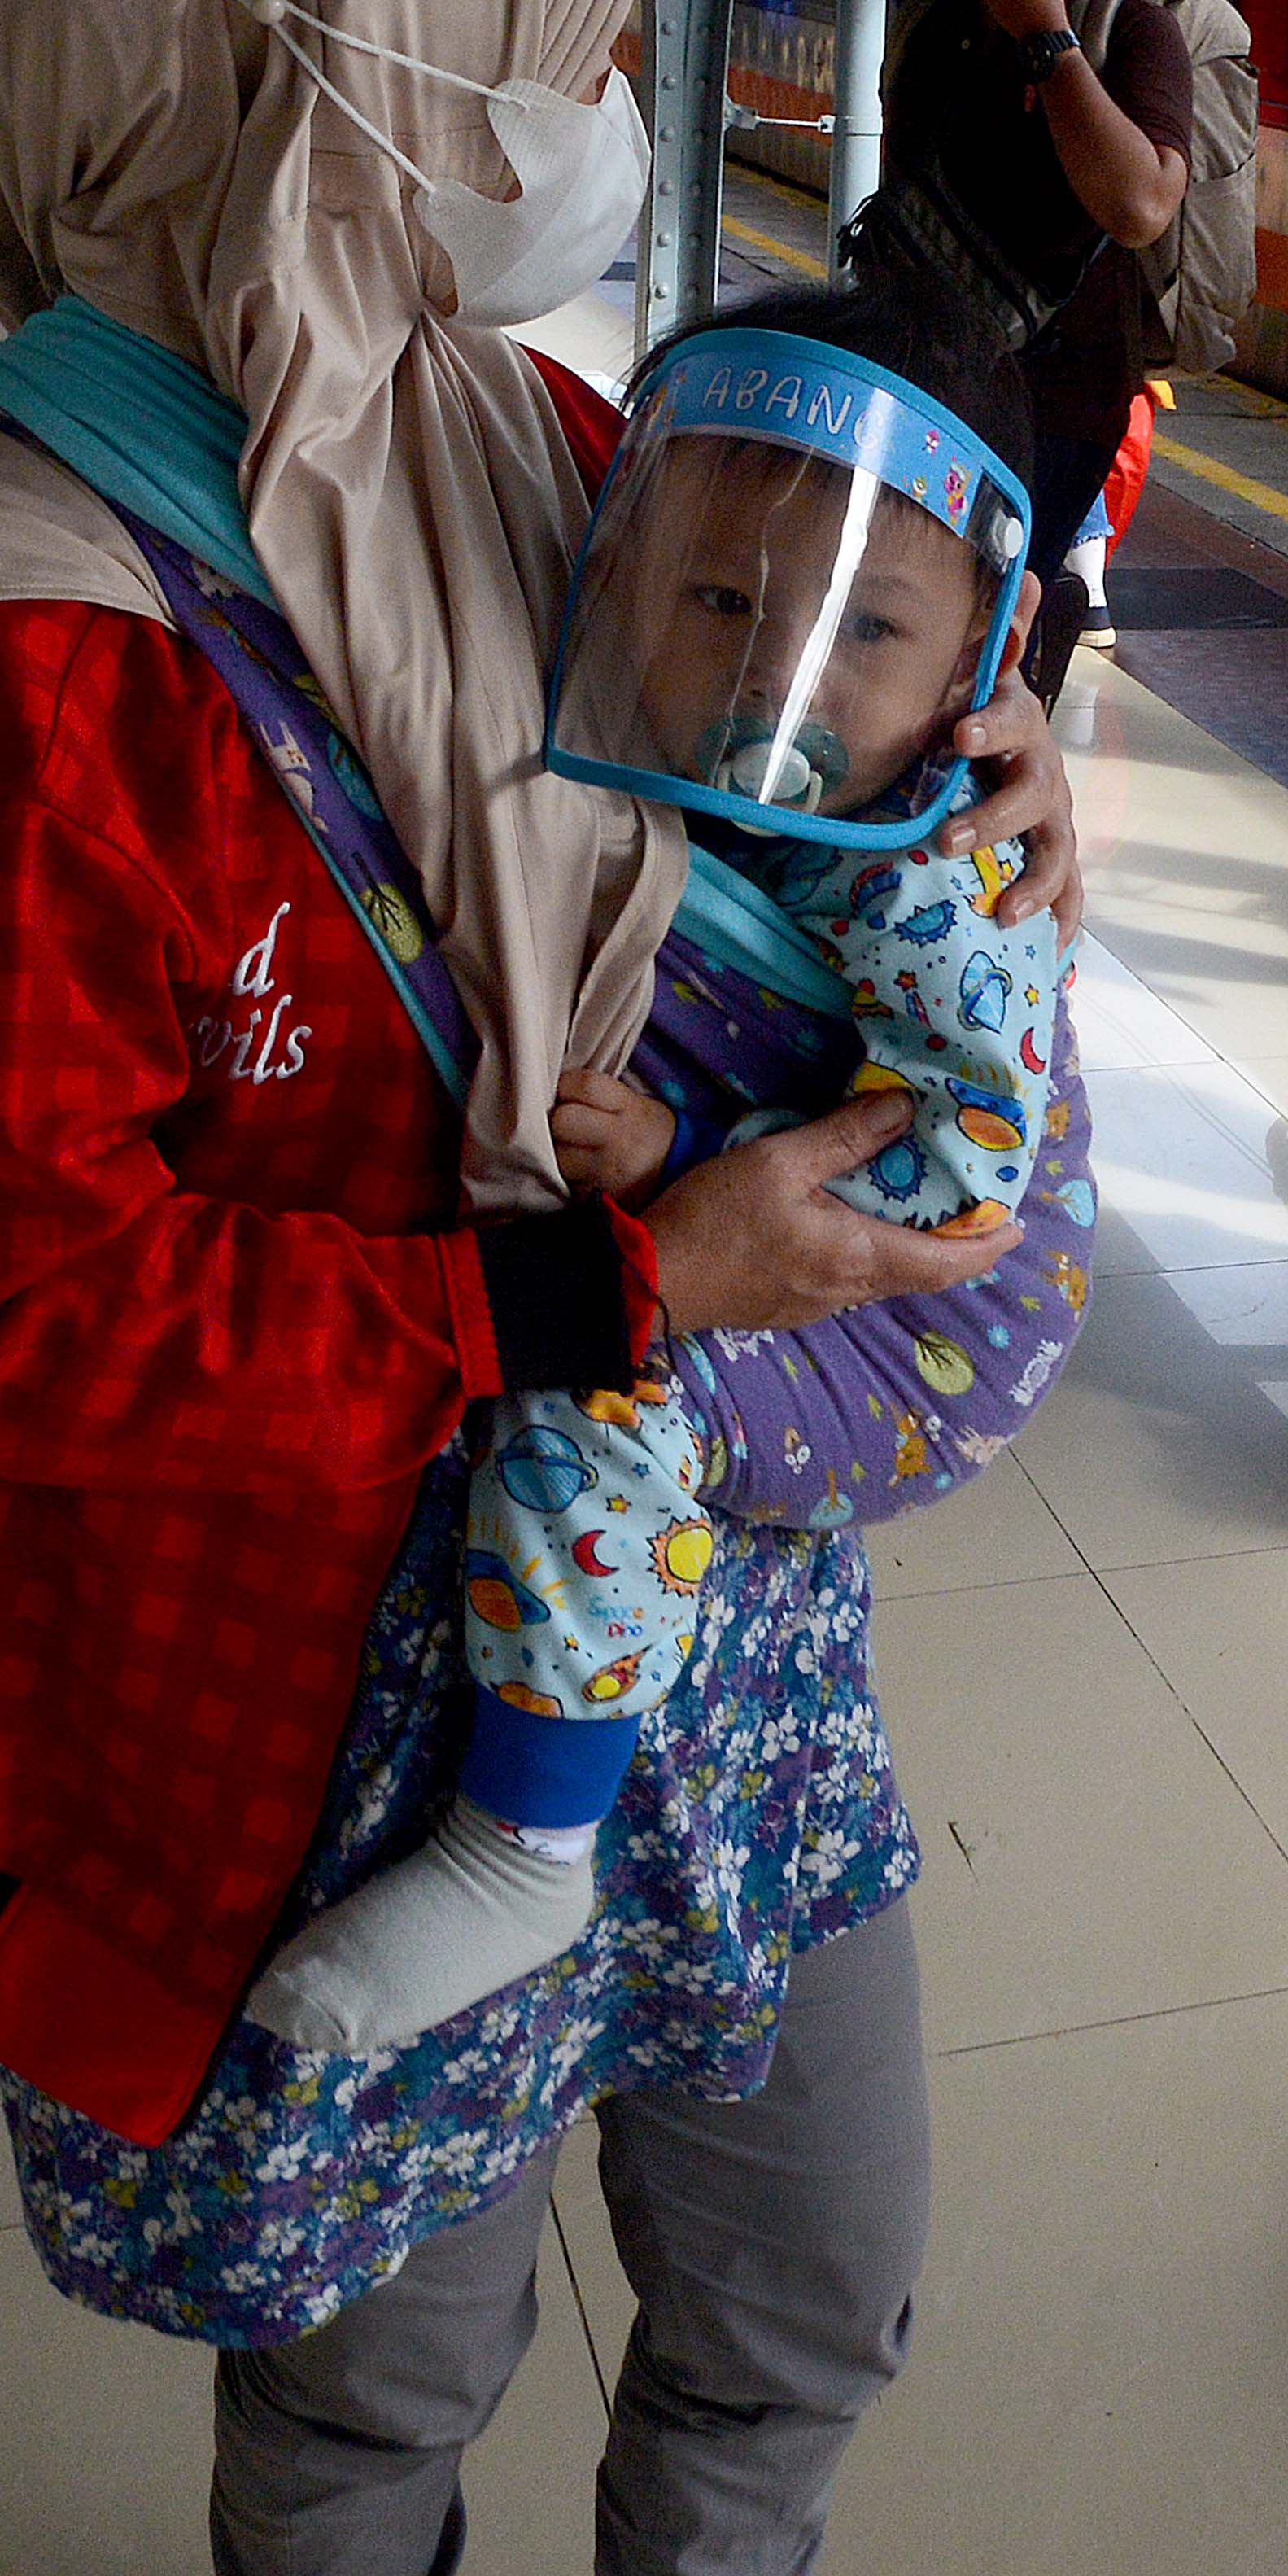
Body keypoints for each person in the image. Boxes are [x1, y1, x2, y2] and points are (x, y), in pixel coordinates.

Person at [0, 0, 1097, 2576]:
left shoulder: (544, 445)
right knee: (372, 2367)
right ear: (309, 52)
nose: (598, 95)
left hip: (707, 1645)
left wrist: (975, 793)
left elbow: (808, 783)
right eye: (546, 14)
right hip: (329, 1726)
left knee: (805, 2293)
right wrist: (601, 1294)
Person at [242, 290, 1068, 2057]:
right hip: (845, 1248)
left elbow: (955, 1178)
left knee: (592, 1383)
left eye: (867, 627)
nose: (779, 669)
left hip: (922, 1324)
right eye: (718, 600)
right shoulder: (685, 768)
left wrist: (692, 1158)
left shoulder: (928, 889)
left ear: (973, 682)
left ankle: (525, 1838)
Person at [860, 0, 1192, 681]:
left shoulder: (1130, 25)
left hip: (1058, 407)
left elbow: (1139, 206)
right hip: (923, 380)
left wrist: (1047, 35)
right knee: (898, 614)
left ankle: (991, 813)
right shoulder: (934, 14)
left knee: (992, 634)